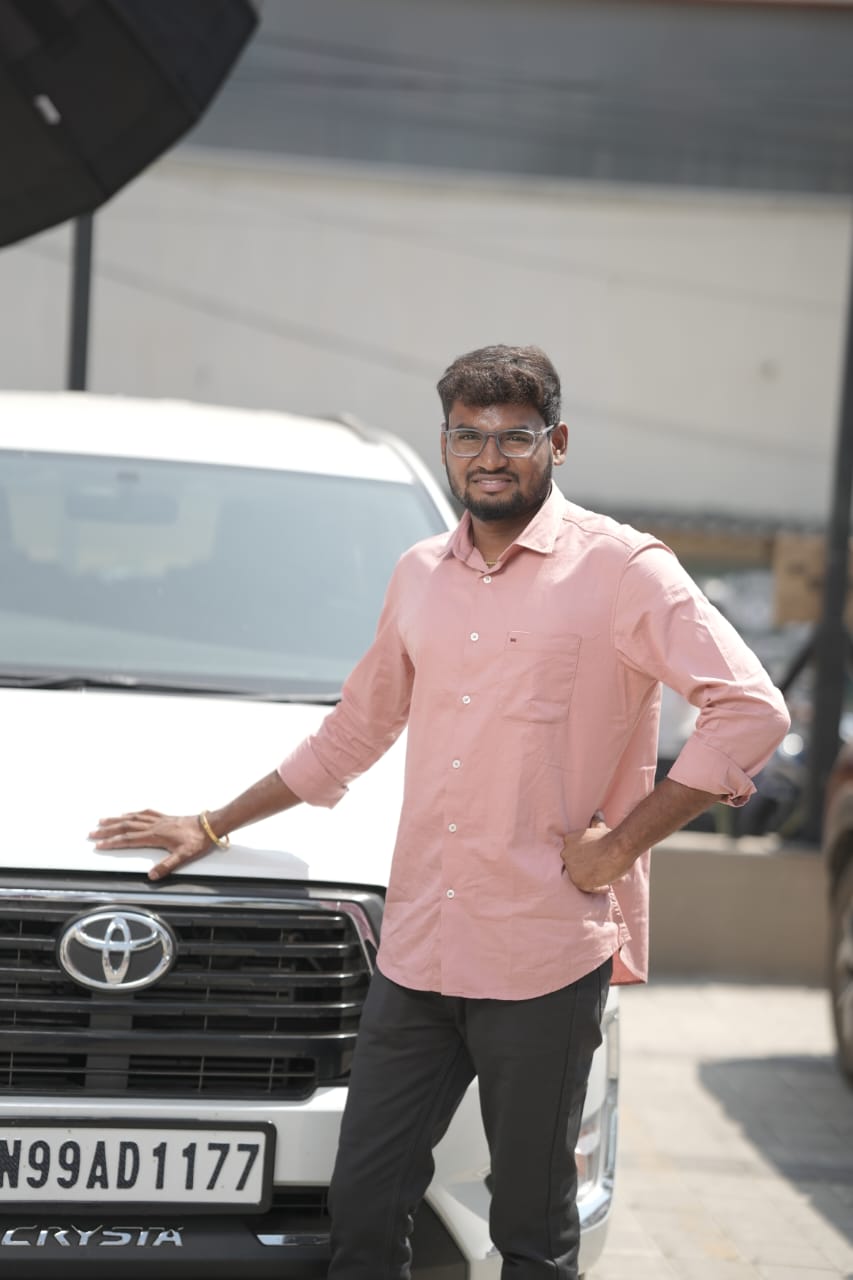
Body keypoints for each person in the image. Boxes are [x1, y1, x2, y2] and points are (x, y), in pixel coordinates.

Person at [91, 345, 790, 1280]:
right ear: (446, 442)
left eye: (513, 438)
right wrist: (212, 824)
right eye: (468, 436)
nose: (488, 457)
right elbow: (355, 730)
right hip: (419, 949)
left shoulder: (623, 570)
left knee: (530, 1225)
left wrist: (622, 845)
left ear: (556, 443)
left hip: (541, 954)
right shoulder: (419, 572)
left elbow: (750, 709)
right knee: (363, 1202)